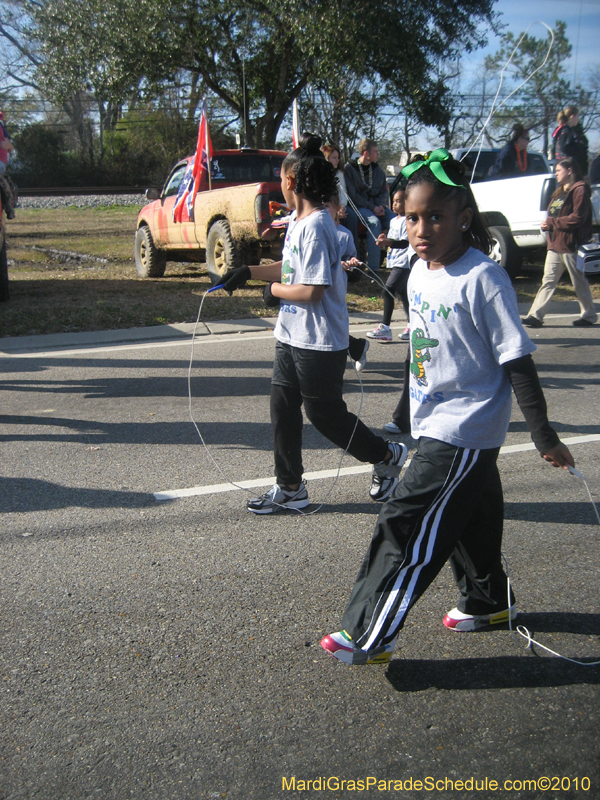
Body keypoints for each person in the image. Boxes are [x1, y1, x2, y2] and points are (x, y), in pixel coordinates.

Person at [319, 148, 574, 665]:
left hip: (463, 429)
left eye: (435, 216)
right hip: (436, 422)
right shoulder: (419, 272)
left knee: (406, 523)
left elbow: (517, 361)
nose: (421, 228)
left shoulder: (484, 278)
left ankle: (368, 632)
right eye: (412, 217)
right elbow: (423, 348)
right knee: (472, 519)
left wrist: (544, 434)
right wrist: (405, 414)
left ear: (464, 218)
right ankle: (488, 603)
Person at [219, 133, 407, 514]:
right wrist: (248, 272)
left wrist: (274, 289)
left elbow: (312, 290)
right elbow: (290, 270)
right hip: (290, 334)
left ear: (290, 181)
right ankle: (289, 487)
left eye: (280, 179)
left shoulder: (319, 225)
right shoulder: (299, 221)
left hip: (319, 340)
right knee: (282, 408)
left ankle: (386, 455)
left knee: (325, 416)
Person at [522, 158, 597, 329]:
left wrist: (553, 223)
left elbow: (577, 218)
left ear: (569, 170)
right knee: (548, 280)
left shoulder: (579, 189)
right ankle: (535, 316)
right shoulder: (559, 192)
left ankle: (589, 315)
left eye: (558, 170)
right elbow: (554, 215)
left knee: (578, 281)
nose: (555, 173)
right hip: (555, 244)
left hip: (571, 245)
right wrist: (548, 224)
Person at [326, 196, 370, 372]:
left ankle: (356, 348)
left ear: (337, 209)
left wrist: (349, 263)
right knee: (324, 324)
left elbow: (351, 256)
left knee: (333, 324)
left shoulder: (344, 234)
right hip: (315, 286)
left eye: (326, 205)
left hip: (336, 286)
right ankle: (357, 347)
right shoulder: (317, 230)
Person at [366, 186, 414, 343]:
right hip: (395, 261)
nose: (394, 204)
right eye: (393, 201)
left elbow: (404, 243)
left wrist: (389, 242)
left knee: (388, 292)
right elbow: (393, 238)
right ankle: (414, 325)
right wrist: (384, 238)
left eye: (399, 201)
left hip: (404, 262)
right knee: (403, 295)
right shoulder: (394, 220)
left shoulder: (409, 220)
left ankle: (385, 328)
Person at [343, 139, 395, 275]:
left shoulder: (377, 170)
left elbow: (384, 191)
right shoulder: (350, 169)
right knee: (374, 222)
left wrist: (381, 205)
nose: (378, 154)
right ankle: (373, 268)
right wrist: (373, 208)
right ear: (366, 153)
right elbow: (354, 196)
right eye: (375, 152)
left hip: (377, 207)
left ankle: (398, 263)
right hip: (361, 207)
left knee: (395, 221)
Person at [552, 107, 588, 174]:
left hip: (563, 165)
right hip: (567, 166)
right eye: (577, 116)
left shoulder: (565, 130)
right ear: (572, 116)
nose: (578, 119)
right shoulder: (566, 131)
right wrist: (578, 149)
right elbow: (564, 148)